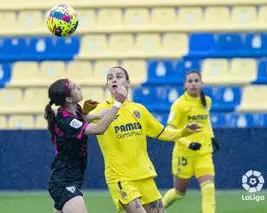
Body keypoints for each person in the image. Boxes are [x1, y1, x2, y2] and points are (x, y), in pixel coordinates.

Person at [89, 66, 201, 213]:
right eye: (110, 78)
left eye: (119, 76)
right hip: (120, 177)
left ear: (127, 83)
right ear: (107, 85)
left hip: (144, 175)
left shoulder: (139, 110)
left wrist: (183, 131)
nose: (114, 79)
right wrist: (84, 111)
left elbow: (162, 132)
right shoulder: (101, 110)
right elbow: (79, 121)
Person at [44, 78, 127, 213]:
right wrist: (117, 103)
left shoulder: (75, 110)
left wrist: (120, 106)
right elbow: (98, 129)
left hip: (71, 179)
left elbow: (95, 116)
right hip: (64, 182)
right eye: (75, 88)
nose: (79, 88)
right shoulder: (66, 121)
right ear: (68, 99)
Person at [162, 71, 220, 213]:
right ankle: (156, 210)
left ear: (201, 83)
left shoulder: (206, 101)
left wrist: (211, 137)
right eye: (190, 81)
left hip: (203, 153)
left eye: (196, 80)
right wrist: (188, 143)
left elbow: (206, 122)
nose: (193, 83)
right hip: (184, 155)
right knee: (179, 193)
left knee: (209, 188)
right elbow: (170, 129)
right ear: (185, 84)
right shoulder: (179, 105)